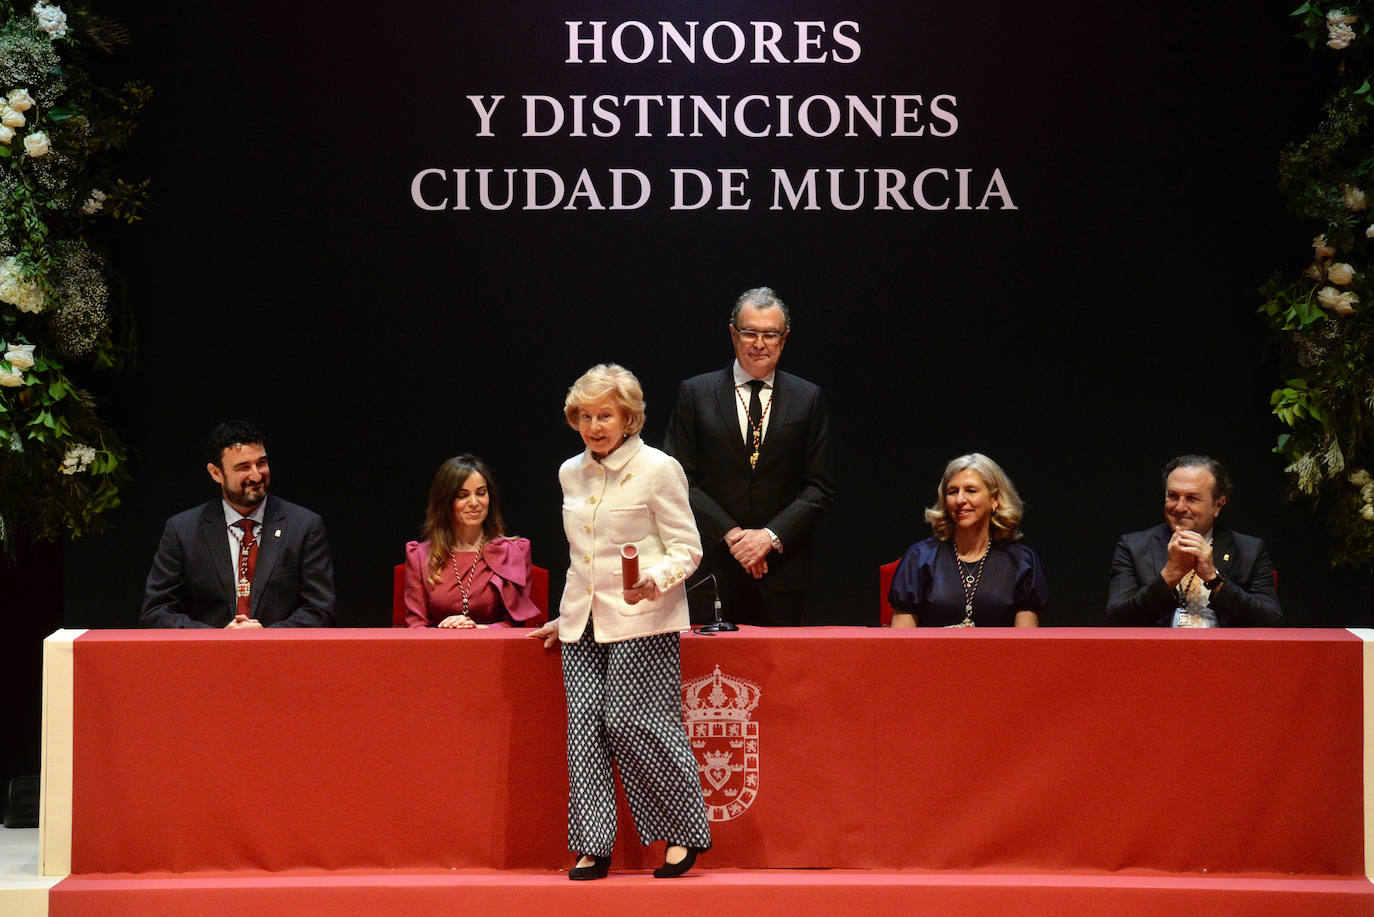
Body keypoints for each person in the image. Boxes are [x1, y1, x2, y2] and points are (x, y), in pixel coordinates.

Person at [530, 363, 711, 880]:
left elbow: (687, 548)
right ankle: (594, 844)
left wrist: (655, 578)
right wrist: (564, 617)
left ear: (628, 417)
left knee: (633, 721)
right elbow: (579, 558)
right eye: (585, 416)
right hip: (582, 623)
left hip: (642, 619)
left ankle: (682, 831)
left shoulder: (659, 468)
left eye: (605, 414)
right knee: (584, 731)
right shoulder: (570, 471)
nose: (594, 426)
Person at [663, 286, 835, 626]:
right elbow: (677, 477)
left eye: (770, 334)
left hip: (781, 574)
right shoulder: (695, 393)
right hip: (710, 568)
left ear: (784, 338)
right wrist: (734, 536)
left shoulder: (808, 398)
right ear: (732, 334)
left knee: (779, 677)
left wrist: (767, 538)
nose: (760, 344)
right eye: (750, 333)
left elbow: (820, 487)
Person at [140, 420, 335, 628]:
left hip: (280, 656)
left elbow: (320, 611)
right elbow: (156, 612)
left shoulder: (304, 526)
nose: (256, 475)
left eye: (261, 463)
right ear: (216, 473)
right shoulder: (183, 530)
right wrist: (218, 639)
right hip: (207, 656)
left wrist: (267, 636)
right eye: (243, 467)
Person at [1106, 455, 1282, 627]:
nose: (1180, 507)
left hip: (1227, 652)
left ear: (1218, 505)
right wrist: (1170, 575)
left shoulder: (1250, 550)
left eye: (1192, 498)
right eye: (1173, 496)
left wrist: (1214, 579)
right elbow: (1117, 619)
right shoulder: (1134, 547)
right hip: (1158, 652)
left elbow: (1271, 621)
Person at [889, 453, 1046, 628]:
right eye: (952, 492)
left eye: (971, 490)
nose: (960, 500)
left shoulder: (1022, 562)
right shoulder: (918, 558)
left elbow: (1025, 646)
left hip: (999, 656)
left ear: (994, 499)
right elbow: (902, 643)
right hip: (933, 655)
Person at [403, 454, 540, 628]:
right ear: (445, 502)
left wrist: (481, 630)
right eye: (462, 495)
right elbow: (415, 627)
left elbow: (517, 623)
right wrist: (441, 632)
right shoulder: (420, 556)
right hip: (437, 651)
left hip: (496, 651)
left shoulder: (512, 552)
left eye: (481, 493)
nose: (474, 502)